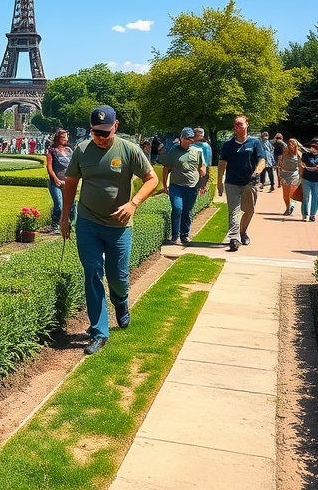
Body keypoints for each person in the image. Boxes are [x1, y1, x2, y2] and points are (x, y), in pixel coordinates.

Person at [61, 106, 158, 356]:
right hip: (88, 221)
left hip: (119, 226)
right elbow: (70, 183)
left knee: (117, 276)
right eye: (96, 132)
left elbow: (152, 179)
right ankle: (99, 332)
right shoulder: (82, 150)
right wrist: (65, 216)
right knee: (93, 273)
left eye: (105, 132)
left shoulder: (129, 150)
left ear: (115, 127)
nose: (100, 137)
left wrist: (133, 203)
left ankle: (121, 301)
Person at [217, 115, 266, 252]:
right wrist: (219, 182)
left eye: (241, 124)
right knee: (234, 210)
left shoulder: (255, 142)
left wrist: (257, 171)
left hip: (249, 182)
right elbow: (222, 163)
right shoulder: (228, 145)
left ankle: (243, 231)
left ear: (246, 125)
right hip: (232, 182)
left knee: (249, 210)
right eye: (236, 125)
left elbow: (262, 159)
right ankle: (234, 238)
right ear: (234, 128)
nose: (238, 127)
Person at [160, 127, 207, 245]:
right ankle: (175, 236)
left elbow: (202, 167)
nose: (191, 141)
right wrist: (164, 184)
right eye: (188, 139)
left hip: (192, 186)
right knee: (177, 208)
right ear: (182, 139)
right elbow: (166, 167)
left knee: (187, 211)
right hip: (177, 186)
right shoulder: (174, 151)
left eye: (192, 138)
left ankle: (184, 235)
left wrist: (203, 181)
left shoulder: (197, 151)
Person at [45, 129, 75, 233]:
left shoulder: (69, 151)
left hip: (68, 183)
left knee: (72, 204)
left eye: (67, 137)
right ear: (59, 138)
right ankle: (55, 225)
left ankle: (71, 224)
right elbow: (49, 168)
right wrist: (56, 179)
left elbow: (73, 166)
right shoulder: (52, 151)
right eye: (64, 137)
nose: (66, 139)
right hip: (55, 182)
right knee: (59, 204)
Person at [300, 138, 318, 222]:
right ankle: (304, 214)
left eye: (316, 147)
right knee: (305, 197)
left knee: (315, 197)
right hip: (306, 178)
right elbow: (302, 164)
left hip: (317, 179)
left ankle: (312, 215)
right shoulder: (305, 155)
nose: (314, 148)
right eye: (313, 146)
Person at [278, 138, 303, 216]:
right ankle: (287, 207)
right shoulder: (284, 152)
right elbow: (279, 164)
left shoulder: (298, 154)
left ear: (295, 145)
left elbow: (300, 166)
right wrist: (279, 174)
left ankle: (291, 205)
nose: (290, 146)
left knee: (292, 192)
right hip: (284, 174)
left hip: (294, 174)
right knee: (285, 193)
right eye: (289, 144)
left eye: (292, 144)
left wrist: (301, 177)